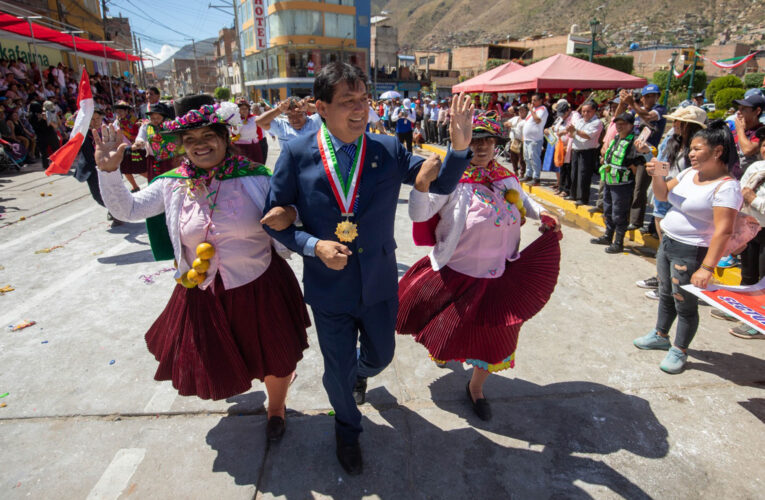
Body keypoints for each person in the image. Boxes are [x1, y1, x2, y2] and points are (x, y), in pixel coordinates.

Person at [263, 62, 473, 475]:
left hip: (378, 284)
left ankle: (362, 373)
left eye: (363, 100)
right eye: (347, 102)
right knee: (336, 373)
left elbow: (441, 182)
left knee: (380, 356)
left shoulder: (387, 149)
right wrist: (312, 244)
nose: (360, 109)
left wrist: (460, 149)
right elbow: (274, 219)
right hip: (328, 289)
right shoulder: (297, 153)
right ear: (321, 107)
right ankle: (346, 429)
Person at [94, 94, 310, 442]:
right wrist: (108, 172)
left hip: (259, 283)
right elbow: (128, 210)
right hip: (203, 289)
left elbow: (295, 212)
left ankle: (276, 408)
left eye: (208, 136)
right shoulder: (171, 183)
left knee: (275, 355)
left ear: (225, 138)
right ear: (181, 146)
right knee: (222, 354)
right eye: (190, 140)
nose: (200, 145)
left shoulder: (258, 178)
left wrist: (290, 214)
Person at [397, 112, 561, 421]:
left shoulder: (504, 175)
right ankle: (446, 354)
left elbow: (523, 201)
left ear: (497, 144)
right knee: (446, 331)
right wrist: (420, 185)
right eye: (475, 140)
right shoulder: (451, 178)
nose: (482, 147)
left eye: (488, 141)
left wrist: (543, 214)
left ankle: (476, 388)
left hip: (501, 274)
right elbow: (419, 216)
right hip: (455, 274)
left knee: (498, 336)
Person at [633, 120, 742, 374]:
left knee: (685, 303)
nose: (691, 154)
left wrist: (706, 268)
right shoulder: (688, 174)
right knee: (666, 293)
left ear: (717, 151)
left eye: (697, 149)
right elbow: (662, 195)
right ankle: (660, 334)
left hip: (692, 251)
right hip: (669, 242)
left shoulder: (727, 187)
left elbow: (724, 230)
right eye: (691, 149)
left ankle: (680, 349)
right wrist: (658, 174)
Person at [636, 106, 708, 299]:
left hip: (680, 200)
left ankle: (668, 285)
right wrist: (646, 152)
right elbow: (661, 164)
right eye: (675, 121)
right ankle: (661, 277)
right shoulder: (671, 140)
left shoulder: (697, 148)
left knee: (673, 246)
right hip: (663, 196)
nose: (676, 125)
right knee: (664, 244)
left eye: (680, 122)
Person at [724, 127, 765, 339]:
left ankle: (759, 322)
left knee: (763, 279)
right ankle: (741, 308)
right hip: (750, 228)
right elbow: (741, 190)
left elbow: (750, 197)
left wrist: (754, 200)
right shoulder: (757, 167)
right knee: (748, 273)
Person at [590, 113, 645, 253]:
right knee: (608, 210)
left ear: (631, 125)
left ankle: (618, 242)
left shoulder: (634, 141)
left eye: (623, 124)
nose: (620, 127)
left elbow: (638, 161)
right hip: (609, 179)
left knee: (619, 213)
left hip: (622, 184)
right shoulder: (616, 138)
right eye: (618, 124)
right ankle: (608, 236)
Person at [621, 84, 667, 230]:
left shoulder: (660, 110)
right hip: (633, 152)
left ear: (657, 97)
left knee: (640, 188)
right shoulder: (636, 112)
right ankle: (625, 215)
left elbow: (647, 116)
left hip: (648, 154)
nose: (649, 99)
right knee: (628, 185)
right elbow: (619, 118)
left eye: (652, 96)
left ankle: (636, 221)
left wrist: (632, 103)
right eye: (646, 96)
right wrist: (624, 102)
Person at [567, 101, 603, 206]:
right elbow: (573, 134)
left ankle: (583, 198)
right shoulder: (580, 121)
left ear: (594, 111)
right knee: (574, 174)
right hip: (577, 149)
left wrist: (575, 131)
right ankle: (573, 194)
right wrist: (570, 130)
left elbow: (587, 135)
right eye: (583, 111)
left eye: (588, 111)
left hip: (588, 151)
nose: (585, 114)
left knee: (584, 175)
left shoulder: (597, 122)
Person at [256, 96, 321, 149]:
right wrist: (278, 110)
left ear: (306, 113)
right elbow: (259, 122)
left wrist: (310, 107)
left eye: (299, 114)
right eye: (290, 115)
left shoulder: (314, 122)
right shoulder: (281, 125)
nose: (295, 119)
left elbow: (329, 113)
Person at [730, 93, 764, 176]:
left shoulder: (762, 132)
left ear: (757, 111)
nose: (738, 112)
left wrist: (740, 130)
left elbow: (748, 150)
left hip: (750, 181)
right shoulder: (734, 132)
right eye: (738, 109)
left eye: (744, 109)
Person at [550, 100, 579, 197]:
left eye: (563, 113)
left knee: (568, 169)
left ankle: (567, 189)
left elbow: (573, 127)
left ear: (568, 110)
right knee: (562, 168)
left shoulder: (575, 115)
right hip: (561, 145)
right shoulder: (561, 118)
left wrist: (563, 131)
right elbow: (556, 127)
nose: (562, 116)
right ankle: (561, 186)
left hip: (570, 146)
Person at [521, 93, 548, 185]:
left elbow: (537, 120)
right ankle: (528, 174)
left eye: (535, 100)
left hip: (535, 139)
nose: (532, 102)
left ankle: (536, 177)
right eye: (532, 100)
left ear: (540, 100)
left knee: (534, 158)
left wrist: (531, 110)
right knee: (527, 158)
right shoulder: (533, 110)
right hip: (527, 138)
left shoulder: (542, 109)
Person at [234, 98, 265, 164]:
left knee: (257, 166)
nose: (244, 110)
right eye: (242, 109)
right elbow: (235, 132)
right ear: (238, 110)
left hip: (254, 146)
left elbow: (261, 132)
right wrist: (238, 121)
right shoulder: (236, 120)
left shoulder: (254, 118)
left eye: (246, 108)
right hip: (241, 148)